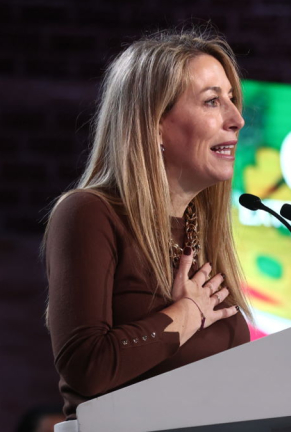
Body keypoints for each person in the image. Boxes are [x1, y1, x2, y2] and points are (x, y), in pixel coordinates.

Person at [43, 29, 252, 420]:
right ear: (155, 124)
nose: (237, 119)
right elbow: (87, 366)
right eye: (212, 101)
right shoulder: (89, 213)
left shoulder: (200, 233)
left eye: (232, 100)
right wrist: (187, 313)